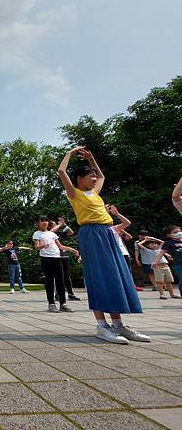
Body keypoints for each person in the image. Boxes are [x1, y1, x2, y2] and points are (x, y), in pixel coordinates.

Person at [58, 146, 149, 344]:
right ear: (79, 179)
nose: (93, 179)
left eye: (93, 176)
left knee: (114, 275)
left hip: (107, 233)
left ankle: (118, 325)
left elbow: (102, 177)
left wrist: (92, 160)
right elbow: (61, 172)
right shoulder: (75, 194)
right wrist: (70, 154)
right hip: (91, 234)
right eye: (89, 176)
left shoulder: (95, 194)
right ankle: (102, 325)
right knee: (98, 276)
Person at [33, 216, 78, 313]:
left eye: (46, 221)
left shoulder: (52, 234)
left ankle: (63, 304)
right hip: (46, 259)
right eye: (42, 221)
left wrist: (72, 250)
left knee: (60, 281)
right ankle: (51, 304)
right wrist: (42, 246)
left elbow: (60, 246)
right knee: (49, 281)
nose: (44, 222)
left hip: (57, 258)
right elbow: (36, 247)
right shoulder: (37, 234)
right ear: (38, 223)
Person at [108, 206, 142, 292]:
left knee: (127, 272)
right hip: (112, 254)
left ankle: (129, 288)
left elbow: (127, 223)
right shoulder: (98, 229)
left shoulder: (114, 228)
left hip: (123, 253)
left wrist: (117, 214)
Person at [49, 217, 81, 301]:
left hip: (64, 255)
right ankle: (57, 294)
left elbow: (71, 232)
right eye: (54, 224)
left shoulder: (59, 234)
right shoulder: (49, 234)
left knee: (67, 276)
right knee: (58, 276)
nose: (56, 225)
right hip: (56, 256)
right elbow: (51, 231)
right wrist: (60, 224)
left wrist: (65, 224)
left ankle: (71, 294)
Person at [153, 225, 182, 295]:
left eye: (180, 231)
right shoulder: (168, 243)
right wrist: (156, 261)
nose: (179, 233)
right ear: (169, 235)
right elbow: (161, 253)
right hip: (179, 264)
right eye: (176, 232)